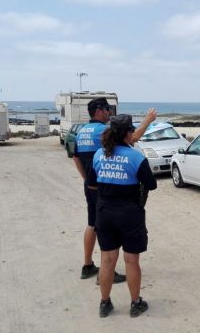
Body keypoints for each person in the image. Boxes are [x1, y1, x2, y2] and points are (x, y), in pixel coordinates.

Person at [72, 98, 156, 283]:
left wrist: (87, 180)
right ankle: (106, 273)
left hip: (93, 184)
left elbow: (76, 158)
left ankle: (87, 265)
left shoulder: (81, 131)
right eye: (108, 109)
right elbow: (131, 139)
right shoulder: (104, 130)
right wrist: (148, 121)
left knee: (92, 223)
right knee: (109, 234)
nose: (110, 112)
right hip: (108, 189)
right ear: (99, 111)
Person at [93, 114, 157, 318]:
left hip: (104, 212)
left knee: (107, 260)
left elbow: (91, 183)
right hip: (129, 213)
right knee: (131, 260)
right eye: (132, 131)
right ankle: (135, 303)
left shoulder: (99, 154)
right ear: (128, 134)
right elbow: (151, 184)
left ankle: (104, 303)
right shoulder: (135, 157)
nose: (133, 134)